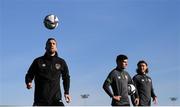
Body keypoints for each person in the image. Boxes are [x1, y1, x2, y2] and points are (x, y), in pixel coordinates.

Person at [25, 38, 71, 106]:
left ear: (56, 48)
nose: (51, 45)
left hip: (56, 100)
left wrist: (66, 92)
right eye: (49, 43)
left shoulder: (61, 62)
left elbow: (66, 77)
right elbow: (29, 74)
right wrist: (28, 82)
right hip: (40, 100)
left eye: (53, 44)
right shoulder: (38, 61)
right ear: (45, 47)